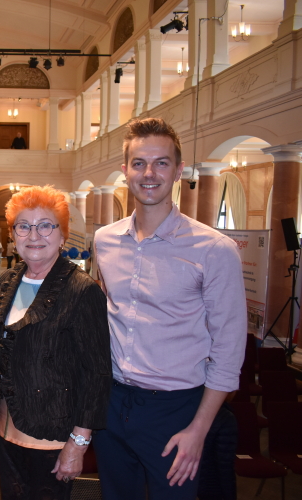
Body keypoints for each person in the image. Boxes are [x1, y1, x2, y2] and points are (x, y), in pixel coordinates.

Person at [93, 118, 245, 500]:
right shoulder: (104, 241)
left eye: (161, 163)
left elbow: (228, 351)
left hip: (176, 409)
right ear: (124, 170)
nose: (149, 173)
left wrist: (199, 428)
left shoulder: (214, 249)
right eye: (139, 162)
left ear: (178, 171)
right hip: (111, 405)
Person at [0, 185, 111, 499]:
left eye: (46, 225)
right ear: (13, 234)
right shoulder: (8, 280)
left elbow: (97, 375)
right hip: (7, 430)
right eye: (24, 226)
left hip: (52, 439)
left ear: (62, 235)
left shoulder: (82, 291)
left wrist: (77, 447)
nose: (34, 235)